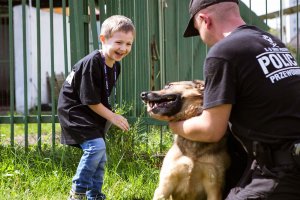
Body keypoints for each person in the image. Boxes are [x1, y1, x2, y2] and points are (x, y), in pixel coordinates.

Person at [169, 0, 300, 199]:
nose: (202, 39)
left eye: (198, 31)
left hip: (282, 169)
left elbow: (211, 130)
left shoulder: (223, 53)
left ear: (205, 20)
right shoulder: (270, 41)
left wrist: (175, 124)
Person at [57, 15, 135, 200]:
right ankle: (78, 193)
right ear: (103, 39)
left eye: (128, 44)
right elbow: (90, 99)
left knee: (100, 156)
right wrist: (113, 116)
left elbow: (100, 96)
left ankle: (95, 195)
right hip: (74, 111)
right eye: (118, 42)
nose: (123, 48)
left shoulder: (115, 66)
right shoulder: (93, 62)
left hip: (90, 111)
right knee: (95, 148)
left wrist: (106, 118)